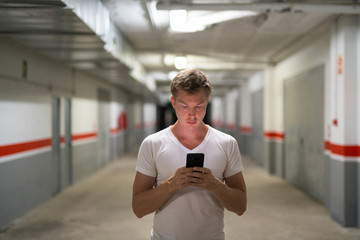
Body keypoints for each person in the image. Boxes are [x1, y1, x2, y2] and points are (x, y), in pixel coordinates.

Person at [132, 69, 246, 240]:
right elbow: (139, 209)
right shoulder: (153, 144)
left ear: (207, 102)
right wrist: (171, 184)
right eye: (184, 106)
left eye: (199, 106)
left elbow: (240, 206)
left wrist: (214, 184)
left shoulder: (226, 143)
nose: (192, 114)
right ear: (173, 102)